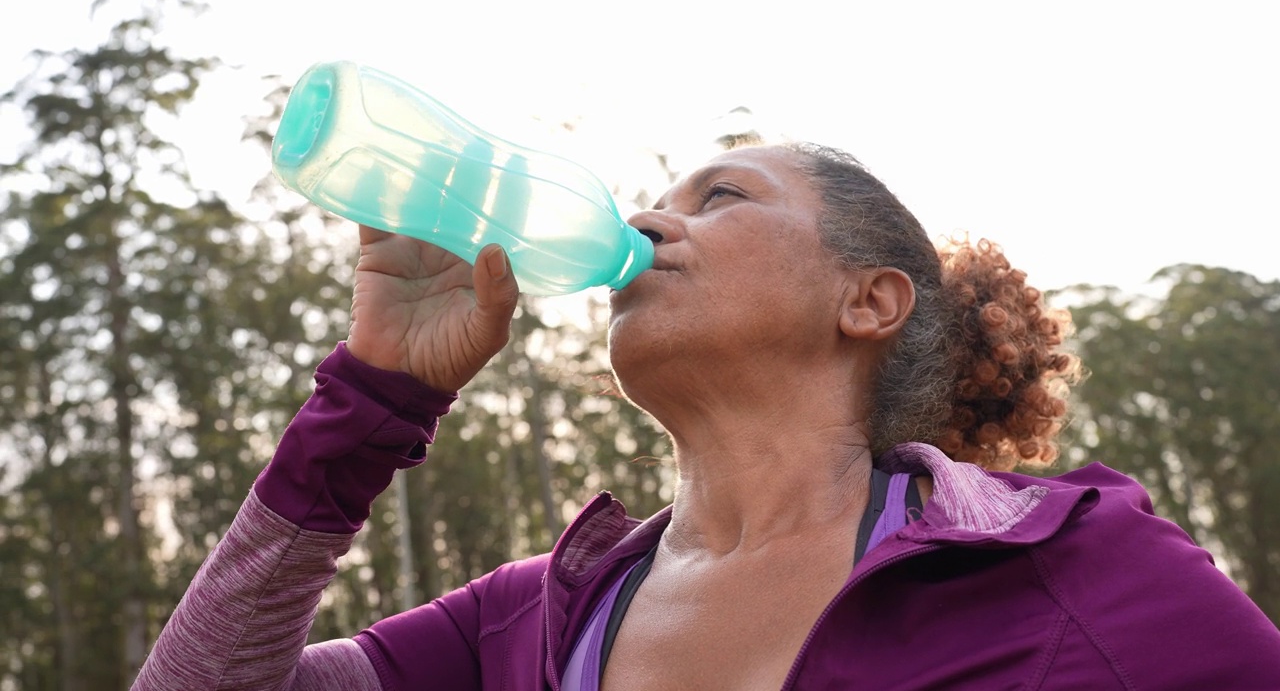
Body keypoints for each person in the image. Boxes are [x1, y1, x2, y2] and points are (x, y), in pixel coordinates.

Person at [133, 143, 1280, 691]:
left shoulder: (1071, 565)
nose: (645, 220)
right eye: (658, 197)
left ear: (867, 300)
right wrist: (373, 398)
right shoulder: (527, 622)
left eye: (719, 198)